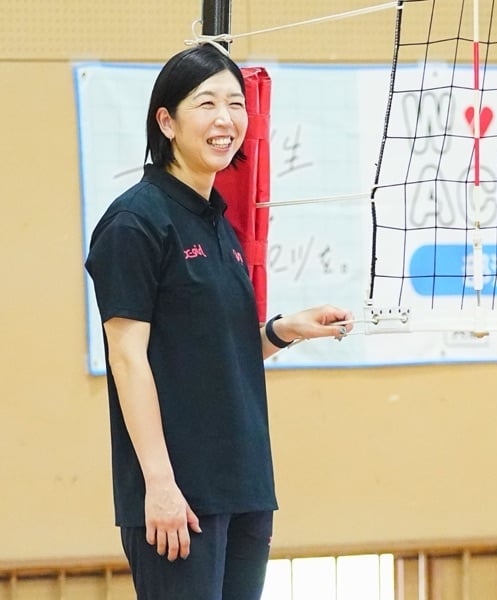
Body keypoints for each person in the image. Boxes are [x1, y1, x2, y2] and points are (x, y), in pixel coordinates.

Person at [85, 41, 353, 600]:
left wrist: (283, 331)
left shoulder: (219, 224)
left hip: (245, 486)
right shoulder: (135, 222)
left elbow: (212, 349)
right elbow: (128, 359)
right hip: (180, 498)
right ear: (167, 121)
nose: (225, 119)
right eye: (206, 103)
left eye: (235, 103)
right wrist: (160, 484)